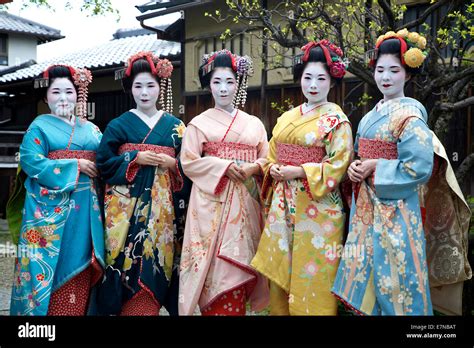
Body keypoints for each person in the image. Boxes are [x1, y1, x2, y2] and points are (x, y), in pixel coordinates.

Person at [332, 29, 472, 315]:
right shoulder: (371, 115)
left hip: (397, 211)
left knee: (400, 279)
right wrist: (356, 167)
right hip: (367, 208)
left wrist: (376, 166)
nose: (386, 77)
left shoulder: (411, 115)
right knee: (371, 276)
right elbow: (361, 153)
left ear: (407, 74)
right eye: (381, 70)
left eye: (394, 70)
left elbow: (418, 167)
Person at [250, 40, 353, 315]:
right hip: (284, 204)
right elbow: (272, 154)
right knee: (283, 274)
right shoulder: (286, 118)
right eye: (308, 77)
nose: (314, 85)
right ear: (300, 79)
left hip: (318, 210)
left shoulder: (337, 121)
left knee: (314, 274)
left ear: (332, 81)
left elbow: (339, 165)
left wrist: (299, 171)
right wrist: (272, 169)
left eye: (321, 78)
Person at [95, 51, 188, 316]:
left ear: (161, 87)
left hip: (163, 213)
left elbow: (190, 165)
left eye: (150, 85)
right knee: (124, 269)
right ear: (129, 89)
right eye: (138, 86)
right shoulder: (117, 125)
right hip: (124, 213)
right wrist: (134, 158)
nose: (144, 92)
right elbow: (103, 164)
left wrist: (172, 165)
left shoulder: (177, 127)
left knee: (158, 263)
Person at [8, 65, 105, 315]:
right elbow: (30, 161)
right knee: (48, 267)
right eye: (56, 92)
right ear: (46, 97)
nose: (63, 98)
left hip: (85, 210)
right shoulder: (39, 127)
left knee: (83, 264)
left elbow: (105, 158)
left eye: (69, 92)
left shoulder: (92, 129)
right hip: (48, 212)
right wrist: (75, 165)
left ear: (78, 95)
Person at [178, 49, 269, 316]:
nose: (224, 88)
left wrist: (255, 167)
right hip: (211, 204)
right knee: (213, 266)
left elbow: (267, 158)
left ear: (238, 83)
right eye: (217, 82)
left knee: (241, 261)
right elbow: (189, 162)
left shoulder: (254, 124)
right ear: (209, 86)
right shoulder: (198, 124)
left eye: (230, 81)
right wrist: (224, 166)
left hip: (245, 201)